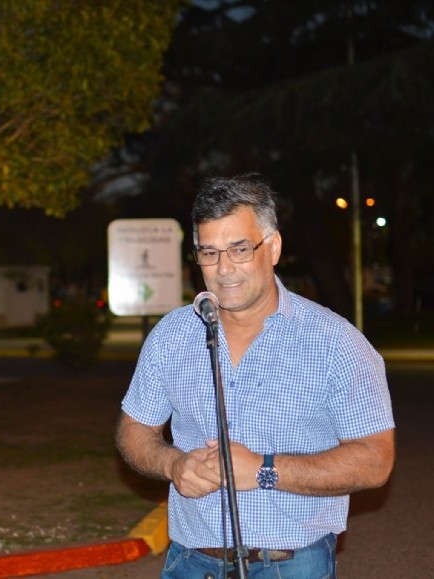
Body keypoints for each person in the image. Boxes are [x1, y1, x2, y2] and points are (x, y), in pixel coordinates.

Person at [116, 174, 395, 578]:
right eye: (208, 253)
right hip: (190, 562)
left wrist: (265, 470)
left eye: (240, 249)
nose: (224, 269)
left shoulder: (336, 343)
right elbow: (134, 431)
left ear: (274, 247)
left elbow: (376, 459)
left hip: (293, 565)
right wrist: (172, 464)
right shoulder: (172, 335)